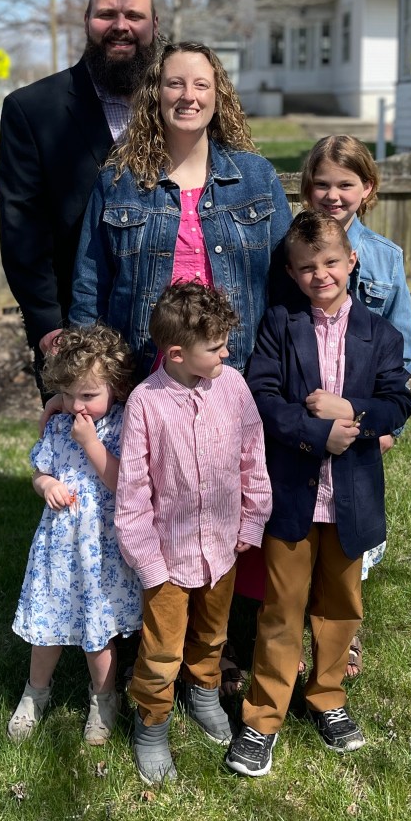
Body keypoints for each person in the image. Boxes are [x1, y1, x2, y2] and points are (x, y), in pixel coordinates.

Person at [224, 211, 411, 778]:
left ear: (351, 261)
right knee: (281, 608)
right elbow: (262, 397)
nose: (320, 275)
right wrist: (316, 432)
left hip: (352, 496)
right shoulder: (280, 326)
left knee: (339, 606)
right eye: (307, 267)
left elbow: (398, 403)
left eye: (331, 262)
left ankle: (327, 697)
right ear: (291, 271)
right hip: (292, 495)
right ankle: (262, 717)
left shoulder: (381, 335)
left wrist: (351, 410)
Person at [114, 282, 273, 783]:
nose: (226, 353)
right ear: (177, 353)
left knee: (212, 634)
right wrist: (148, 561)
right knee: (162, 648)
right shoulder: (145, 403)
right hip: (166, 559)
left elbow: (253, 456)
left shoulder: (234, 387)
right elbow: (133, 490)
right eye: (217, 347)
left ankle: (203, 694)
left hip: (222, 550)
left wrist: (251, 519)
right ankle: (152, 723)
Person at [69, 41, 292, 377]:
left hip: (241, 378)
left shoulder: (256, 177)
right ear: (156, 94)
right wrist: (83, 378)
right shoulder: (119, 182)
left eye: (201, 84)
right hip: (143, 380)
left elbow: (287, 284)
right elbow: (90, 290)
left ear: (218, 96)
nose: (189, 96)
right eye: (175, 83)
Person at [0, 0, 159, 393]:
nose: (120, 25)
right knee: (81, 437)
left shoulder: (181, 102)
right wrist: (49, 328)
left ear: (154, 25)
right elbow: (21, 228)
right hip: (78, 336)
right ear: (87, 22)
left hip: (172, 334)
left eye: (134, 15)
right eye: (106, 14)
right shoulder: (33, 111)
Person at [301, 133, 411, 675]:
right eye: (321, 184)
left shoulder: (385, 260)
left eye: (345, 184)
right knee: (297, 524)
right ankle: (285, 624)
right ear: (306, 188)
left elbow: (403, 349)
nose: (333, 195)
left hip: (357, 416)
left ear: (367, 188)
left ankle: (341, 633)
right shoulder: (291, 250)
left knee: (349, 524)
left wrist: (378, 423)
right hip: (301, 414)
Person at [7, 324, 141, 746]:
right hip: (59, 549)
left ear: (116, 387)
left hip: (101, 552)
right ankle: (35, 692)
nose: (76, 405)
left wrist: (90, 443)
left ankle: (103, 699)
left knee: (97, 633)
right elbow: (40, 470)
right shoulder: (58, 425)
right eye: (68, 394)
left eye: (88, 395)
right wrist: (46, 484)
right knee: (47, 627)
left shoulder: (123, 425)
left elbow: (122, 482)